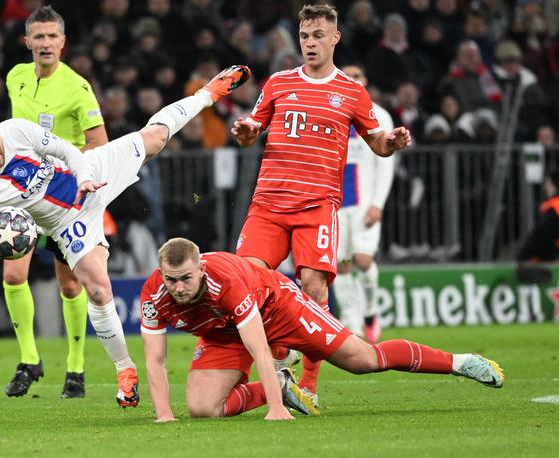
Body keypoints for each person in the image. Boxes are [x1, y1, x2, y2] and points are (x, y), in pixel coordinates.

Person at [0, 64, 252, 407]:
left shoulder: (15, 130)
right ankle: (125, 372)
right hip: (67, 223)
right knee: (96, 288)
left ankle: (208, 93)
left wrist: (82, 176)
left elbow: (66, 151)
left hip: (89, 174)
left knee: (154, 137)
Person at [230, 3, 411, 404]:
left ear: (335, 38)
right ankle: (278, 360)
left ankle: (308, 386)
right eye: (304, 36)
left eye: (317, 36)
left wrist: (392, 143)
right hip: (269, 205)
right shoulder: (278, 82)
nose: (310, 43)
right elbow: (251, 132)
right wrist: (244, 132)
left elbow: (376, 143)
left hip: (317, 208)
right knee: (248, 285)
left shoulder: (351, 91)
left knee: (313, 289)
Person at [140, 238, 505, 422]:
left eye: (186, 278)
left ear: (201, 268)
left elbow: (258, 348)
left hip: (279, 308)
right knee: (203, 408)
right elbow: (155, 361)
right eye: (172, 280)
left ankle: (460, 362)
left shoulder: (227, 280)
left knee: (364, 360)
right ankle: (281, 388)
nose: (179, 287)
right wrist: (164, 416)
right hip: (223, 332)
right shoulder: (155, 295)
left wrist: (276, 413)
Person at [0, 6, 109, 399]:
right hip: (23, 193)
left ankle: (76, 369)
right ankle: (29, 360)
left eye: (52, 37)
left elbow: (99, 143)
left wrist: (60, 159)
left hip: (63, 197)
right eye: (38, 37)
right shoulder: (15, 78)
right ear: (27, 41)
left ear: (63, 42)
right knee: (13, 276)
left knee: (70, 284)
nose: (45, 44)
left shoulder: (77, 88)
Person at [333, 64, 396, 344]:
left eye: (357, 76)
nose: (353, 81)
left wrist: (378, 204)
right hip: (336, 208)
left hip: (364, 207)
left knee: (363, 259)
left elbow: (386, 166)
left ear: (365, 79)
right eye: (348, 77)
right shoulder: (333, 111)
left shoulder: (379, 116)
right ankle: (352, 324)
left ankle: (371, 312)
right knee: (342, 264)